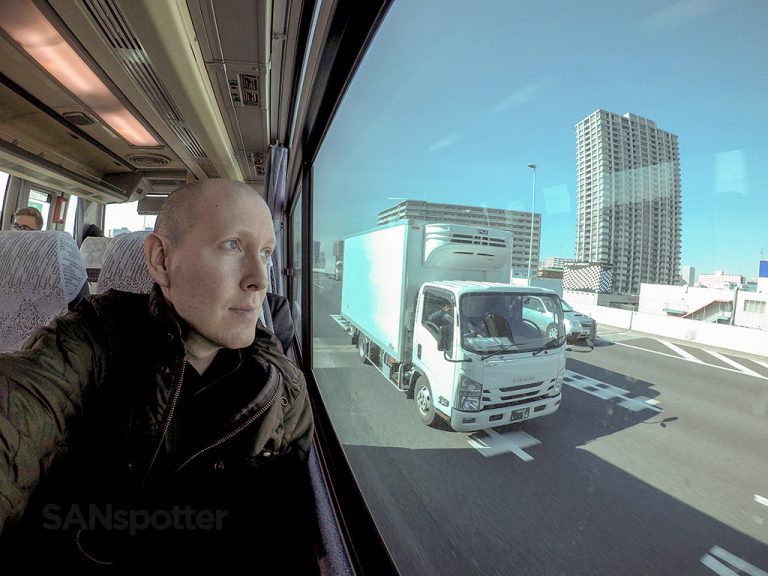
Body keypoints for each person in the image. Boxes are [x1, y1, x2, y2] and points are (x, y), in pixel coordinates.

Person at [0, 179, 315, 571]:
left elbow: (291, 535)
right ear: (161, 260)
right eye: (232, 245)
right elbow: (18, 413)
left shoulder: (281, 389)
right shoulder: (92, 339)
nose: (259, 279)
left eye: (265, 253)